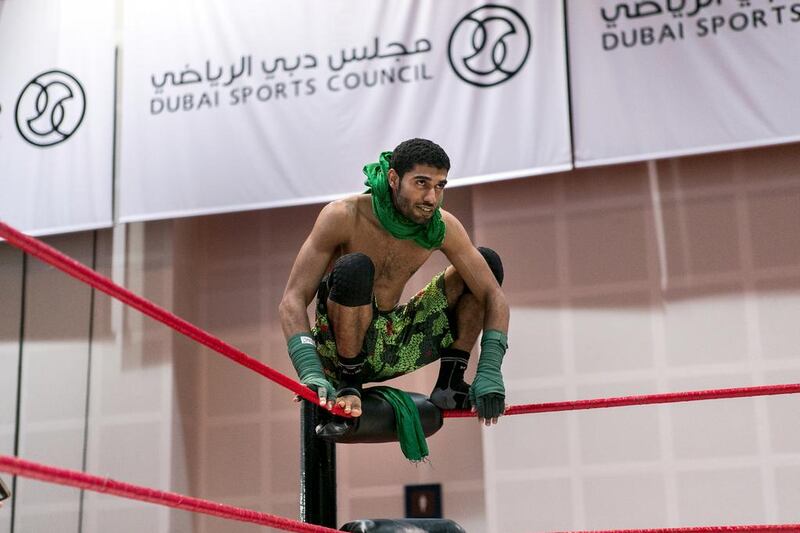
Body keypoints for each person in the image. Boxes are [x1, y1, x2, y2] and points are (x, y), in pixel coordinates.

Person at [279, 138, 509, 425]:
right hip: (337, 354)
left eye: (440, 185)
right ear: (393, 178)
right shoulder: (343, 216)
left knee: (485, 262)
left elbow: (493, 296)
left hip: (395, 344)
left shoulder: (442, 226)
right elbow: (292, 299)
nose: (431, 198)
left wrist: (490, 368)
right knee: (356, 266)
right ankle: (350, 384)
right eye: (421, 183)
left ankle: (450, 384)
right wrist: (309, 370)